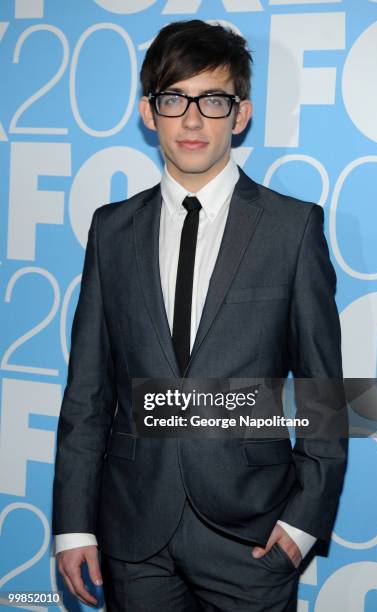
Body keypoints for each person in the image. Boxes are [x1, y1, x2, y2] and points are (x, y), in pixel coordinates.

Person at [53, 19, 348, 611]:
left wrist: (303, 523)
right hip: (134, 536)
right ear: (148, 111)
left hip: (254, 538)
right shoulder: (111, 231)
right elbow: (88, 390)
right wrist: (74, 524)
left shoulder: (291, 229)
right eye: (174, 99)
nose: (192, 119)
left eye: (212, 99)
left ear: (240, 114)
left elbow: (322, 393)